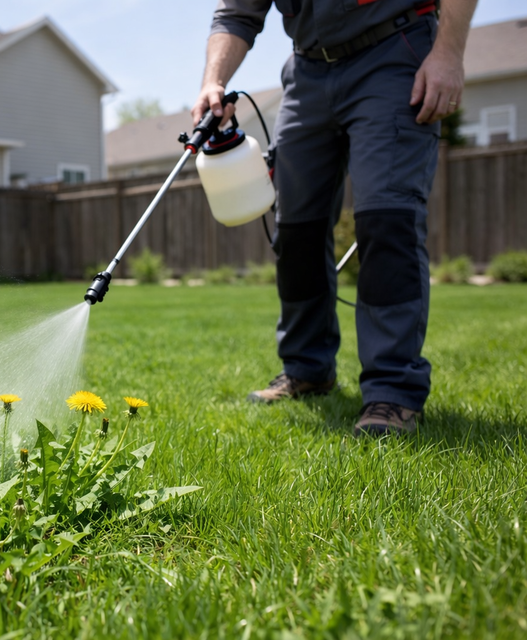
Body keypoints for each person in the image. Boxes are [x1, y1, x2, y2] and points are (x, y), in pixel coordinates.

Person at [192, 0, 478, 435]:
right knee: (295, 230)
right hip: (307, 73)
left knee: (387, 221)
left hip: (393, 51)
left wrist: (448, 52)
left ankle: (392, 392)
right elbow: (236, 14)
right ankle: (308, 368)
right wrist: (212, 82)